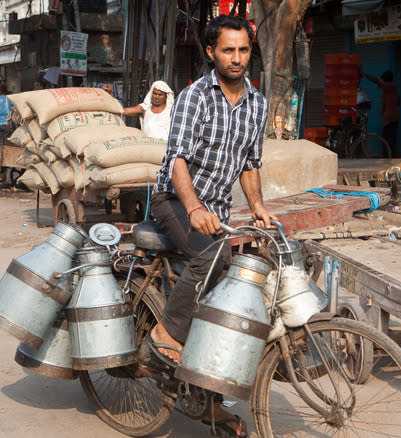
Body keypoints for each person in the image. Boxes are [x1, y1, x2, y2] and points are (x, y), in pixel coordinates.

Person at [148, 15, 276, 438]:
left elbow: (251, 164)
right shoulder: (193, 96)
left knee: (241, 281)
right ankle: (166, 331)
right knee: (211, 255)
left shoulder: (257, 103)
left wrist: (257, 208)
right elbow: (178, 159)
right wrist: (195, 207)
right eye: (228, 50)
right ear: (210, 52)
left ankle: (209, 390)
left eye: (242, 50)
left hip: (217, 208)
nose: (237, 58)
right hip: (173, 201)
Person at [362, 69, 400, 156]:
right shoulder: (390, 90)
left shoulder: (390, 86)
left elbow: (376, 81)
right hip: (390, 118)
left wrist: (364, 74)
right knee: (389, 140)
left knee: (389, 140)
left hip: (390, 119)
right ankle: (389, 156)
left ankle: (389, 157)